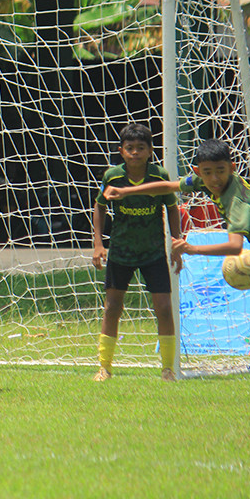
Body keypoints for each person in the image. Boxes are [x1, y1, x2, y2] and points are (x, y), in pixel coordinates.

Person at [104, 138, 250, 281]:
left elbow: (235, 246)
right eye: (207, 172)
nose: (214, 179)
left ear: (232, 168)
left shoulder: (237, 201)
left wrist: (191, 249)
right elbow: (169, 186)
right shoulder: (205, 181)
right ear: (198, 172)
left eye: (220, 171)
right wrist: (126, 191)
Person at [92, 123, 182, 382]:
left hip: (153, 252)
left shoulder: (159, 176)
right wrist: (99, 243)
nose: (135, 153)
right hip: (121, 252)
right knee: (112, 308)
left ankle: (167, 369)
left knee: (164, 308)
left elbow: (172, 208)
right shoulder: (113, 176)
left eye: (140, 148)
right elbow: (99, 208)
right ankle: (104, 368)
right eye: (129, 148)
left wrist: (176, 242)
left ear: (150, 151)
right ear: (121, 151)